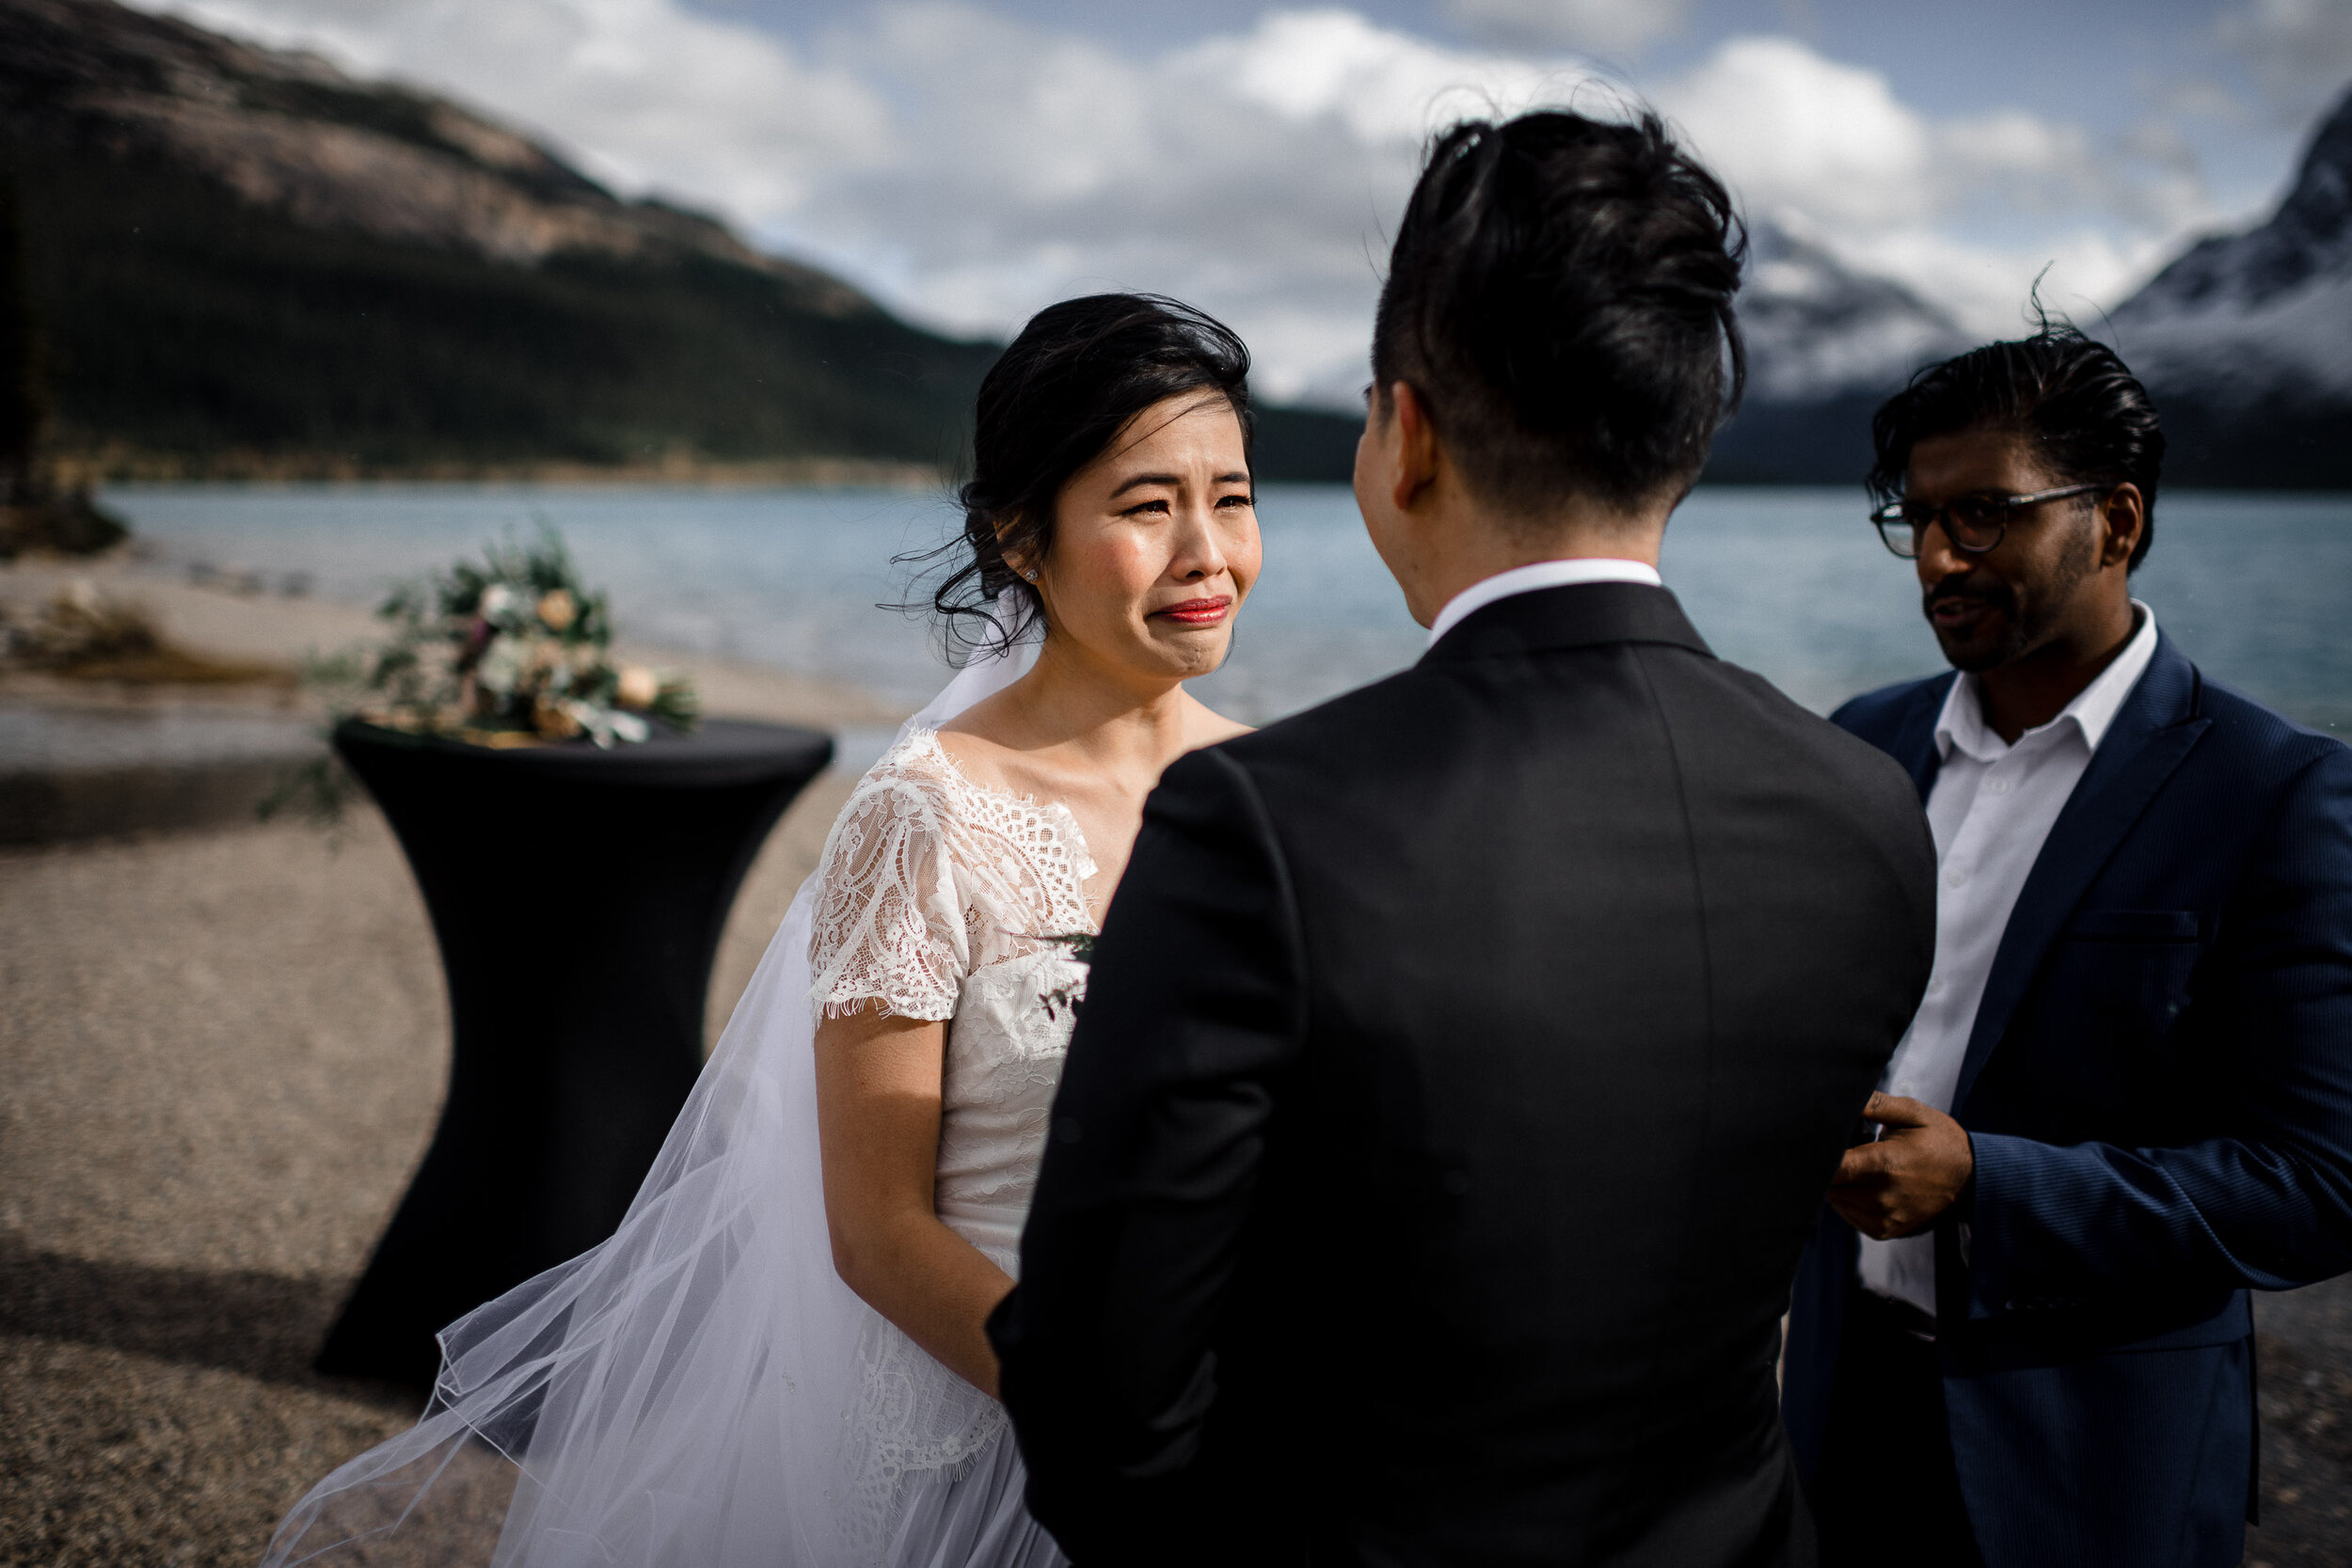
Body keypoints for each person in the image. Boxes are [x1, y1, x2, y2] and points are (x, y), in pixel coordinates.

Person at [988, 110, 1938, 1567]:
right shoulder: (1869, 808)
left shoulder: (1269, 828)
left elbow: (1099, 1401)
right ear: (1680, 441)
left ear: (1404, 436)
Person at [258, 293, 1261, 1567]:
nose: (1206, 553)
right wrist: (1113, 1417)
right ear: (1020, 534)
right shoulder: (925, 818)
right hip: (1002, 1449)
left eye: (1231, 497)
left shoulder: (1274, 793)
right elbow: (877, 1231)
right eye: (1144, 505)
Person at [1781, 326, 2352, 1568]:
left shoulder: (2279, 794)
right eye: (1918, 518)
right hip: (1838, 1416)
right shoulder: (1861, 747)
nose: (1937, 557)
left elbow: (2320, 1182)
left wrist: (1990, 1177)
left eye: (1984, 514)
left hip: (2090, 1464)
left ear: (2118, 520)